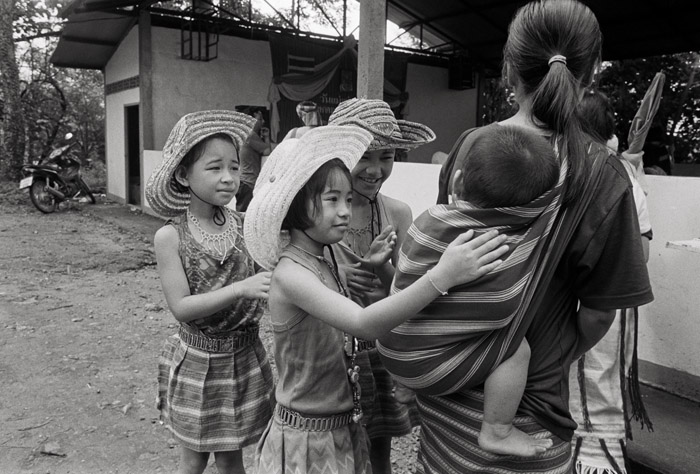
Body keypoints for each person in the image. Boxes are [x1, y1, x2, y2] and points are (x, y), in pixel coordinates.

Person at [386, 1, 654, 473]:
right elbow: (597, 315)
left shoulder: (472, 147)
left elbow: (451, 241)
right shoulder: (605, 177)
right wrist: (548, 353)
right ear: (589, 74)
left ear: (509, 67)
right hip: (525, 410)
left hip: (445, 393)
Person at [242, 126, 508, 474]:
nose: (344, 212)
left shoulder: (321, 260)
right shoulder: (291, 274)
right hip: (306, 436)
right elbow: (362, 322)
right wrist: (443, 276)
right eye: (331, 199)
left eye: (348, 200)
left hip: (340, 424)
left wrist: (377, 268)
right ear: (293, 204)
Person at [380, 123, 560, 458]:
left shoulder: (428, 219)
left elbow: (404, 272)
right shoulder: (509, 246)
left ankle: (407, 387)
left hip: (391, 348)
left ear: (458, 181)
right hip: (430, 367)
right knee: (516, 349)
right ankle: (497, 430)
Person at [145, 110, 274, 474]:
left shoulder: (246, 226)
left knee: (232, 457)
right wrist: (240, 289)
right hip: (199, 363)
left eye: (234, 167)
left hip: (244, 357)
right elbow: (182, 307)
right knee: (194, 459)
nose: (229, 178)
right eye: (215, 168)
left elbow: (272, 276)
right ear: (184, 175)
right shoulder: (171, 236)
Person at [328, 97, 436, 473]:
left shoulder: (398, 213)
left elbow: (407, 292)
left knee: (379, 444)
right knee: (336, 442)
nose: (375, 170)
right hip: (330, 345)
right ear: (339, 155)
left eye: (386, 157)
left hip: (380, 349)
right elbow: (295, 274)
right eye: (365, 157)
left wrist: (382, 271)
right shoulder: (315, 213)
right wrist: (340, 280)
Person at [569, 89, 654, 474]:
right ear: (609, 134)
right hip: (610, 299)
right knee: (596, 385)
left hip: (592, 301)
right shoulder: (626, 177)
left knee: (588, 382)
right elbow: (643, 254)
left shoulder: (567, 170)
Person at [236, 108, 271, 212]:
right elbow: (267, 151)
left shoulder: (246, 134)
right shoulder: (250, 135)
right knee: (245, 215)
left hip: (246, 181)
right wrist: (267, 138)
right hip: (248, 182)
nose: (263, 122)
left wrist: (265, 137)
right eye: (260, 119)